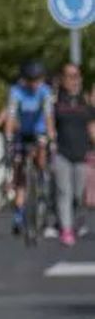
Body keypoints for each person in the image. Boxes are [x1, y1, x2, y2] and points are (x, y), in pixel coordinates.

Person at [5, 60, 56, 235]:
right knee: (19, 171)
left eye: (37, 80)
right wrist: (8, 136)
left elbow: (49, 115)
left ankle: (42, 182)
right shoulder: (16, 91)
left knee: (41, 154)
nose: (34, 84)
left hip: (40, 130)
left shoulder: (45, 91)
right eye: (30, 80)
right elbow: (11, 114)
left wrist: (51, 135)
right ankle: (18, 215)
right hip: (23, 131)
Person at [52, 63, 94, 246]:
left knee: (77, 195)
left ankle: (72, 222)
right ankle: (66, 229)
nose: (73, 80)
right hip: (62, 153)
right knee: (64, 192)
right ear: (62, 79)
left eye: (76, 76)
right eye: (69, 76)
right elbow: (48, 122)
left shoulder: (86, 102)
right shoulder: (56, 101)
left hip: (81, 154)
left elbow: (92, 126)